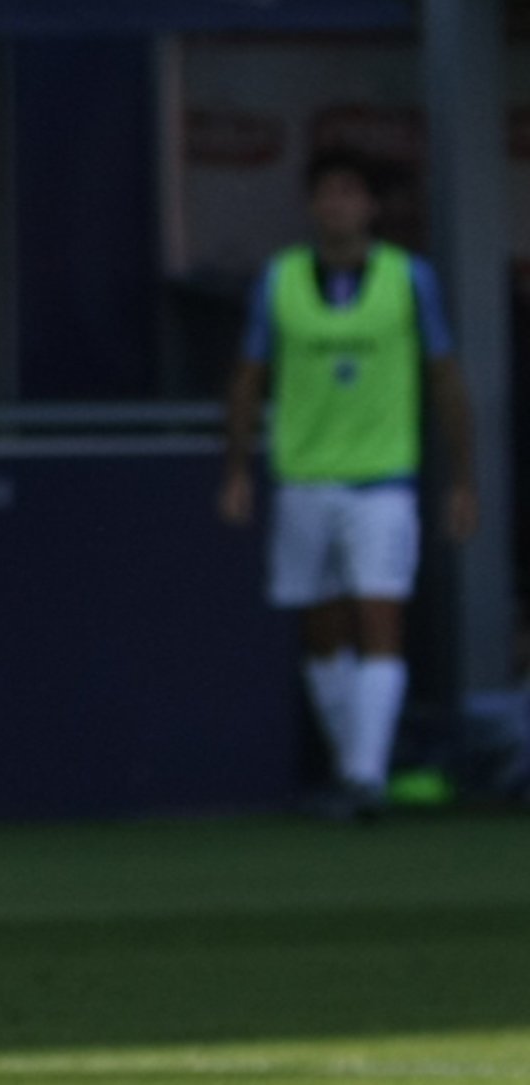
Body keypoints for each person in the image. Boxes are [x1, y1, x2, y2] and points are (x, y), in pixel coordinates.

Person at [219, 149, 479, 818]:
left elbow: (445, 374)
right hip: (305, 476)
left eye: (349, 193)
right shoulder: (280, 280)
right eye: (326, 193)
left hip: (383, 478)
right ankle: (357, 764)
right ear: (312, 206)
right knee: (323, 631)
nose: (338, 205)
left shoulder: (407, 278)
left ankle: (363, 778)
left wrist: (463, 475)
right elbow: (249, 376)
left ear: (370, 206)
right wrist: (238, 468)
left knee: (380, 613)